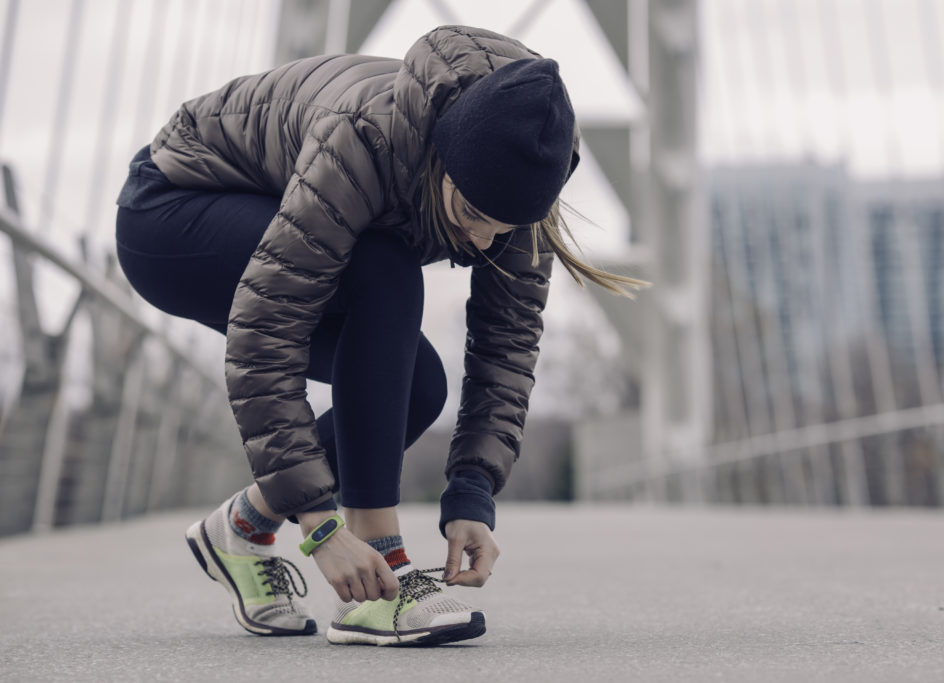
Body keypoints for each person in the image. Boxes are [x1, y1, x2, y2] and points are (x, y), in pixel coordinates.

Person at [114, 24, 644, 646]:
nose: (483, 242)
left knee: (415, 386)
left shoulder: (525, 175)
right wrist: (318, 525)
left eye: (504, 228)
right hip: (173, 210)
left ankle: (242, 526)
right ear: (443, 160)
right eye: (472, 215)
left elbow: (507, 344)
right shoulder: (364, 139)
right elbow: (265, 335)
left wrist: (472, 492)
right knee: (385, 268)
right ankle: (383, 566)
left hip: (275, 225)